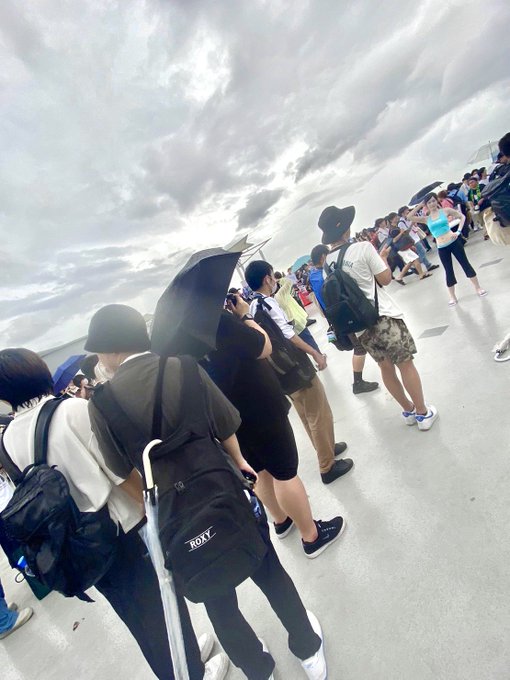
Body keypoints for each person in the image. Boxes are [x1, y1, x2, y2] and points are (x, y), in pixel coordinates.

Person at [86, 304, 331, 680]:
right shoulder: (184, 367)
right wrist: (240, 461)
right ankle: (308, 650)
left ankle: (258, 668)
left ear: (112, 348)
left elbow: (119, 468)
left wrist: (152, 503)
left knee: (217, 598)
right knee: (268, 569)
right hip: (221, 485)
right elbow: (225, 422)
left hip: (172, 511)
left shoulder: (102, 403)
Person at [0, 347, 219, 680]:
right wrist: (157, 510)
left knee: (139, 619)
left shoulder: (8, 439)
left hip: (79, 546)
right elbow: (120, 474)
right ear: (38, 372)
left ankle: (185, 659)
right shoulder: (72, 410)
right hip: (124, 531)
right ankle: (191, 672)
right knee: (164, 601)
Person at [203, 299, 345, 557]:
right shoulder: (219, 321)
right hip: (259, 405)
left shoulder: (184, 338)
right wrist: (245, 316)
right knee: (284, 471)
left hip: (228, 414)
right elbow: (264, 346)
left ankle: (281, 520)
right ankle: (312, 536)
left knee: (258, 470)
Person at [317, 205, 438, 431]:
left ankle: (408, 410)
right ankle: (423, 413)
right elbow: (385, 279)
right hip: (383, 316)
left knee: (385, 367)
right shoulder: (362, 248)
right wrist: (382, 258)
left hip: (361, 326)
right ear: (345, 229)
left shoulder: (326, 265)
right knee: (405, 364)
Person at [245, 262, 354, 484]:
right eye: (272, 276)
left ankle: (326, 448)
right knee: (319, 412)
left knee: (306, 414)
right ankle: (327, 466)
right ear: (267, 279)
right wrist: (315, 353)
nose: (274, 280)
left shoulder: (253, 307)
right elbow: (289, 335)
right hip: (296, 366)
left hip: (280, 370)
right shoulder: (268, 303)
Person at [309, 245, 379, 395]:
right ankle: (358, 383)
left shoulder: (314, 275)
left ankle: (359, 381)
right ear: (323, 257)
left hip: (337, 317)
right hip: (344, 315)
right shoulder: (322, 275)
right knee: (359, 348)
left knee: (359, 346)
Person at [406, 194, 487, 307]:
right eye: (429, 202)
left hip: (454, 242)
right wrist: (420, 205)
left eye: (433, 201)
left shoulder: (445, 211)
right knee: (448, 271)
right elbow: (409, 217)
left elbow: (462, 217)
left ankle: (478, 288)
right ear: (426, 205)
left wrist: (458, 231)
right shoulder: (426, 219)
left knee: (465, 264)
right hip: (442, 247)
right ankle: (452, 296)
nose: (432, 204)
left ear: (437, 201)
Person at [273, 272, 321, 352]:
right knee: (309, 340)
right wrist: (278, 280)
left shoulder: (277, 296)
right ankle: (319, 354)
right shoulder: (280, 295)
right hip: (297, 322)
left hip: (293, 323)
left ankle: (317, 354)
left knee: (304, 343)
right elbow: (288, 281)